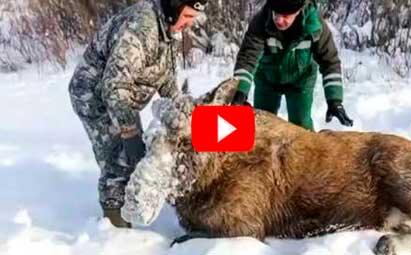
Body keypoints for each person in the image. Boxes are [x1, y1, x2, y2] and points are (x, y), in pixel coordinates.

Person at [68, 0, 207, 228]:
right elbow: (115, 87)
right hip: (94, 97)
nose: (190, 23)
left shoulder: (168, 30)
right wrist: (129, 132)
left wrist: (184, 108)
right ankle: (114, 225)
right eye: (188, 16)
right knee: (119, 159)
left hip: (123, 99)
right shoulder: (141, 26)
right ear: (174, 8)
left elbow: (165, 80)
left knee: (133, 156)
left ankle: (128, 209)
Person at [231, 0, 353, 130]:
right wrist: (240, 92)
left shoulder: (315, 26)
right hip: (267, 79)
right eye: (276, 14)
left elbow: (330, 62)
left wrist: (335, 100)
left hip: (301, 81)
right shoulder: (261, 21)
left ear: (298, 11)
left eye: (285, 16)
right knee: (261, 126)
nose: (279, 20)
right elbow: (247, 57)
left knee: (301, 126)